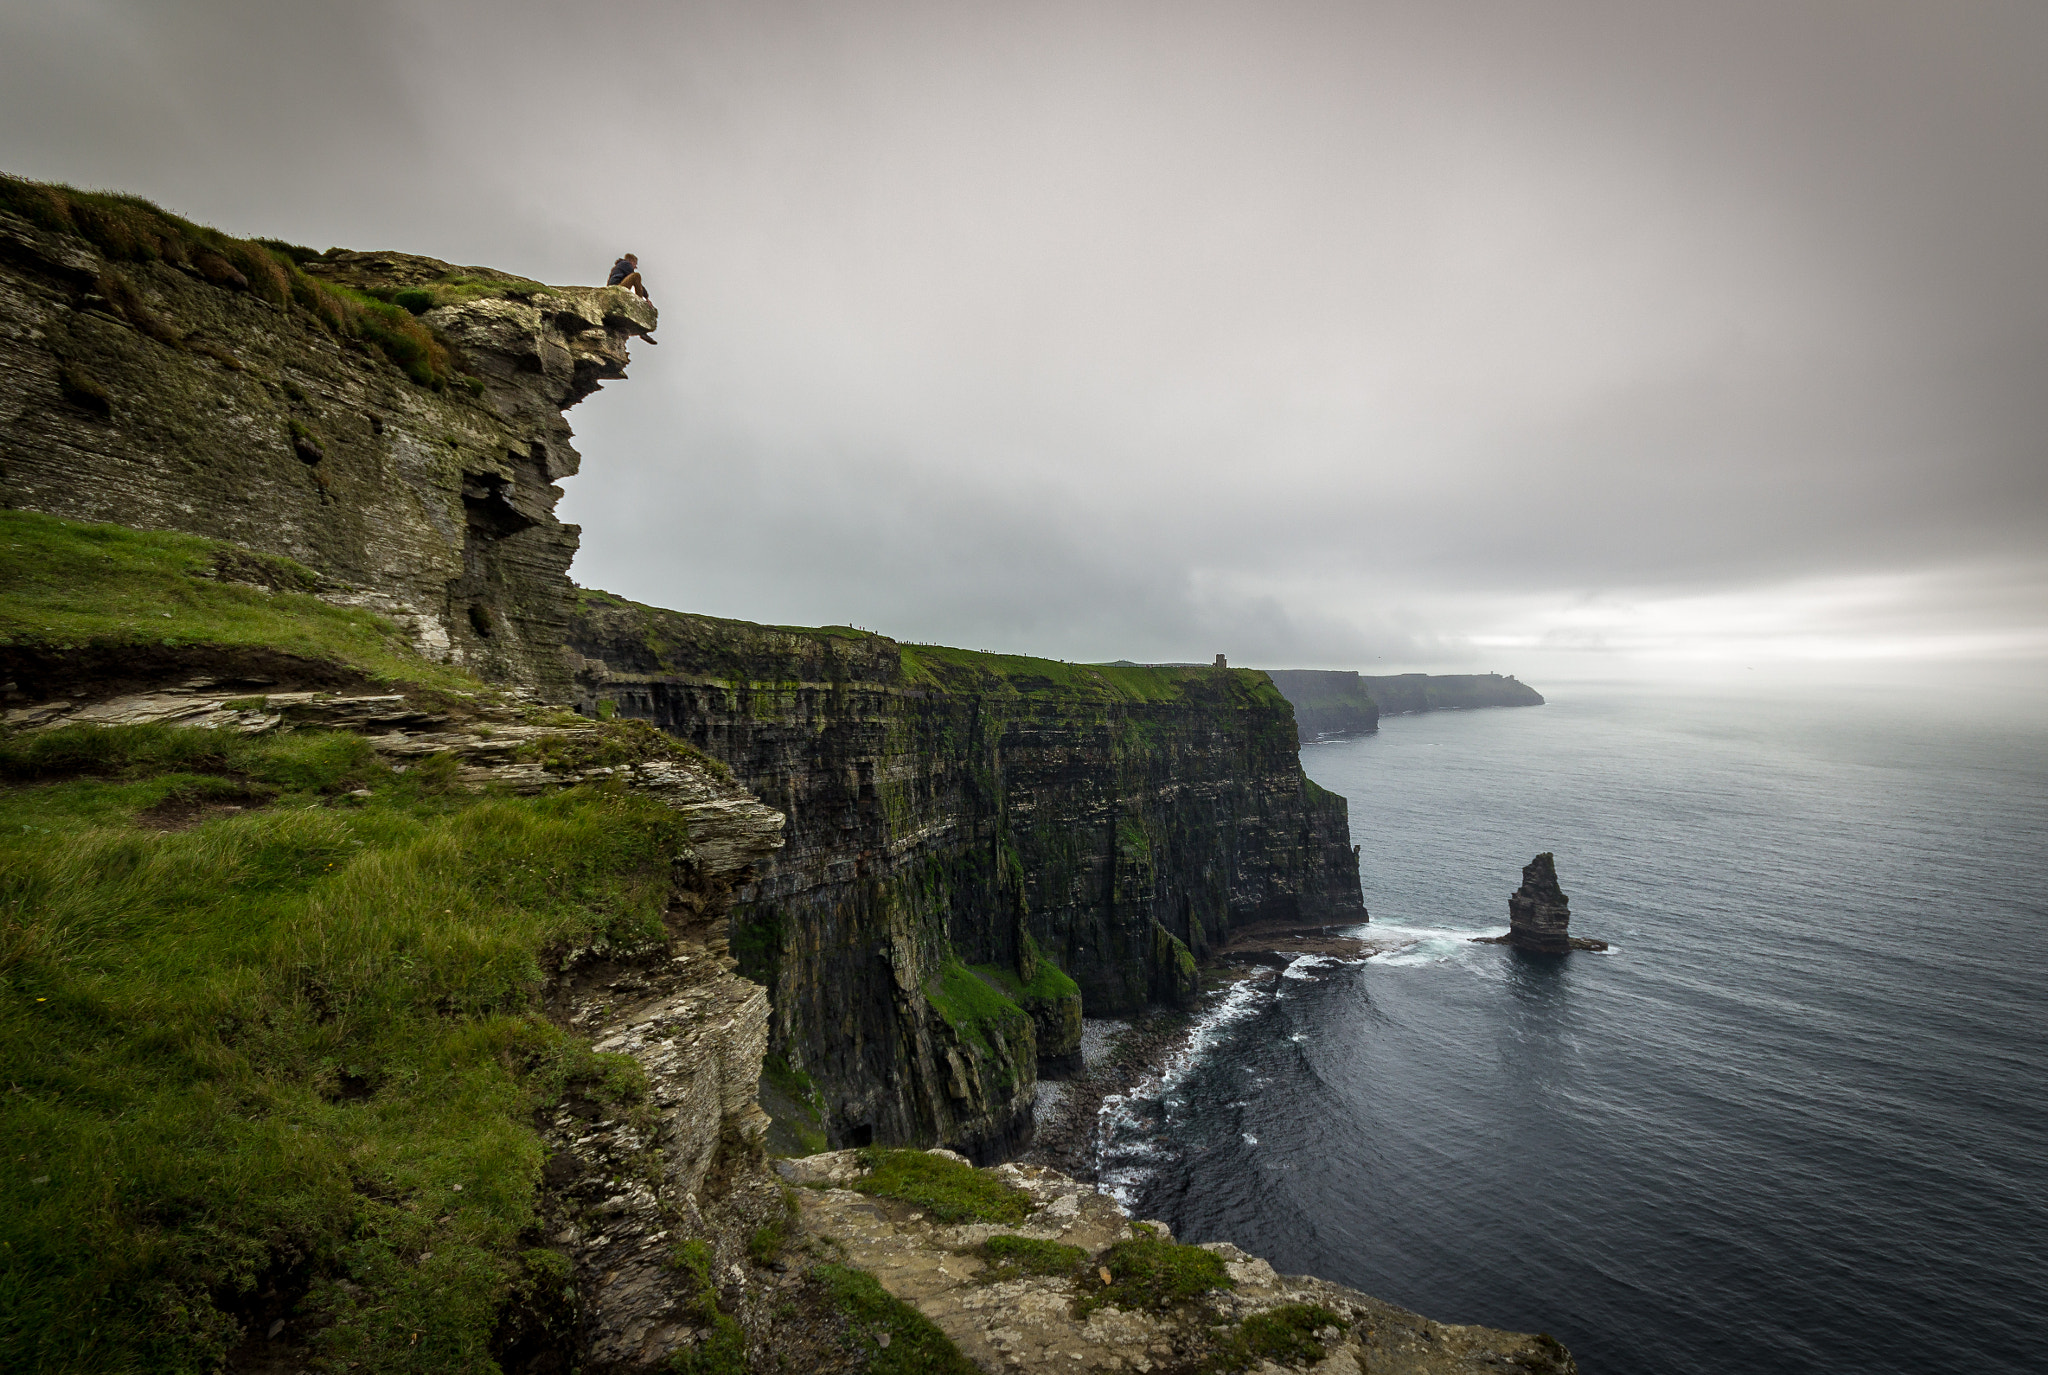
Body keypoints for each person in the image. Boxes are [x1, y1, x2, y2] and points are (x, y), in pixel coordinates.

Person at [606, 253, 659, 343]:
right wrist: (645, 297)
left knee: (635, 277)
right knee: (636, 276)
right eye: (635, 264)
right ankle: (640, 303)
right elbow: (635, 279)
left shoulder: (620, 266)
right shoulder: (626, 264)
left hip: (615, 289)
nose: (635, 267)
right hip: (616, 289)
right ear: (631, 261)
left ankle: (642, 331)